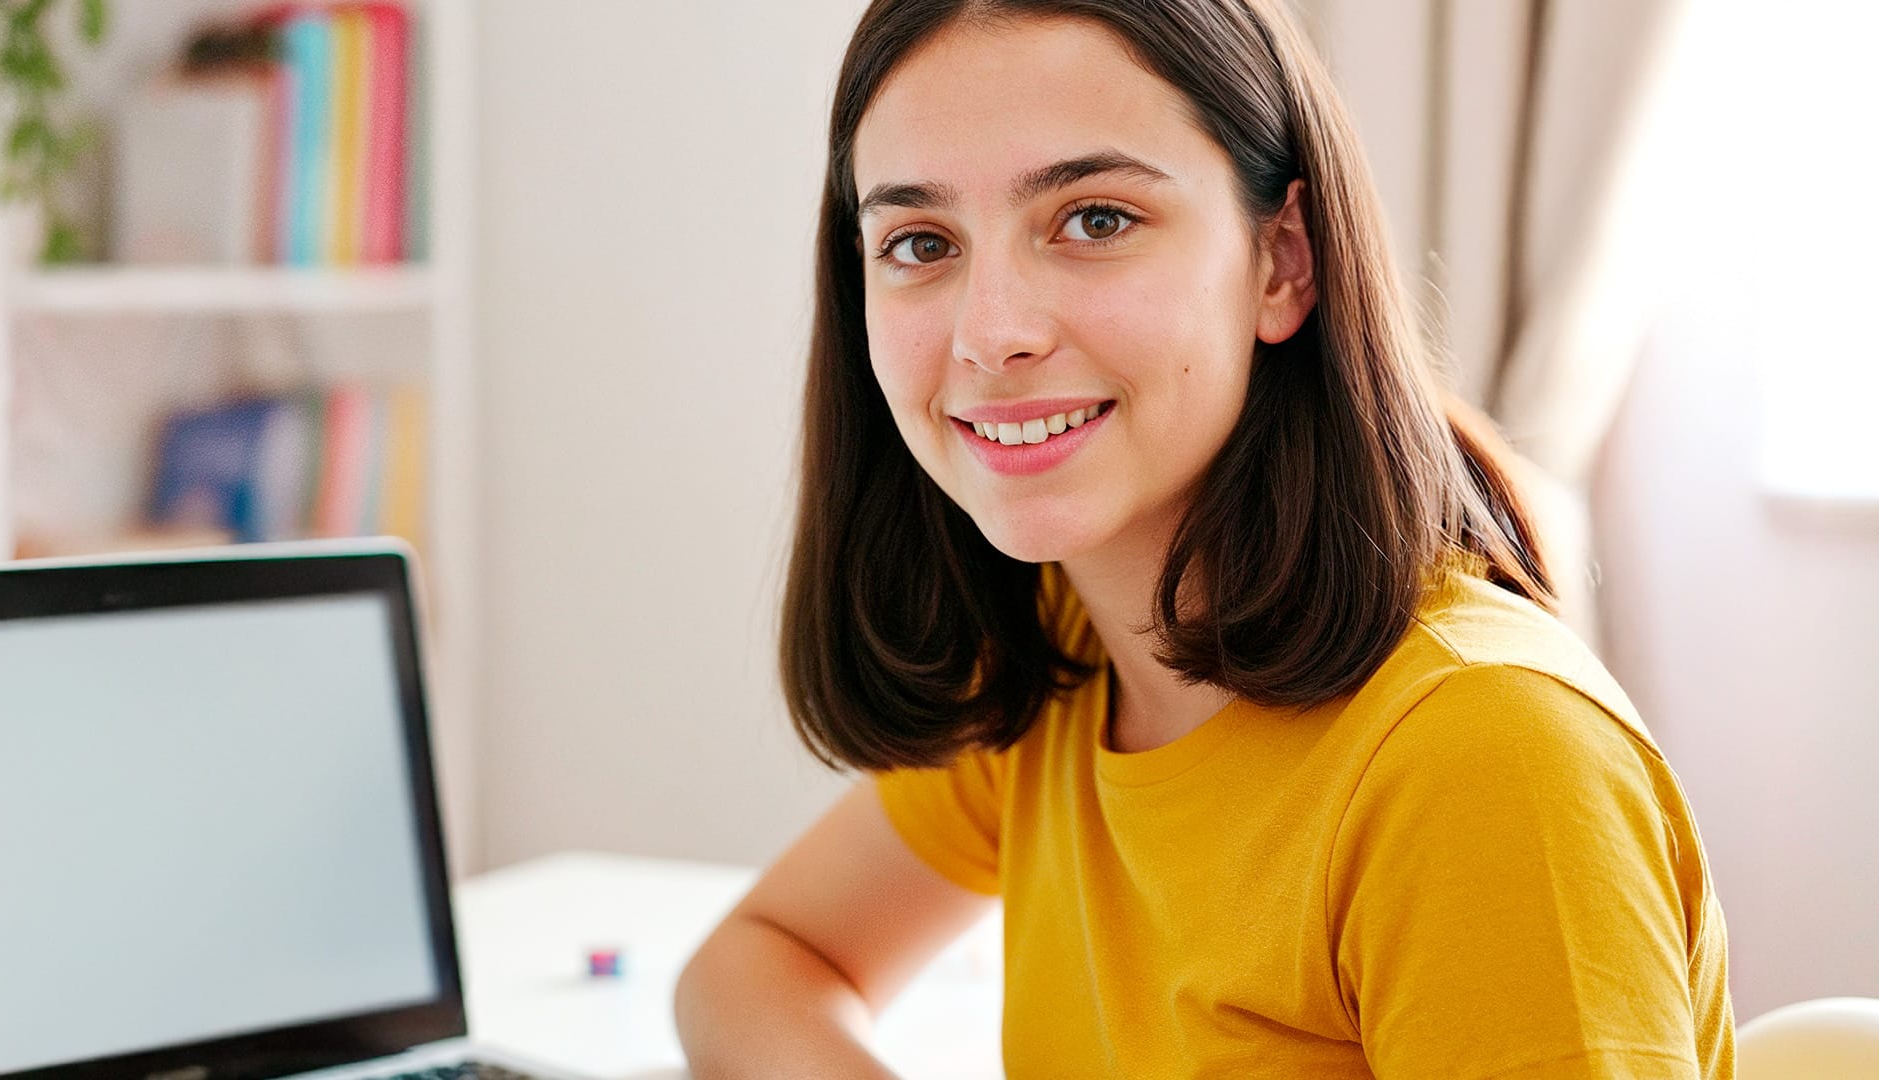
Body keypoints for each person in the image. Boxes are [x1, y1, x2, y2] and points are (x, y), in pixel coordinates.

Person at [675, 0, 1735, 1075]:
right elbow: (759, 963)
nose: (992, 332)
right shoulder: (1074, 648)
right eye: (919, 243)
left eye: (1095, 220)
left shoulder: (1487, 757)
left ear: (1282, 262)